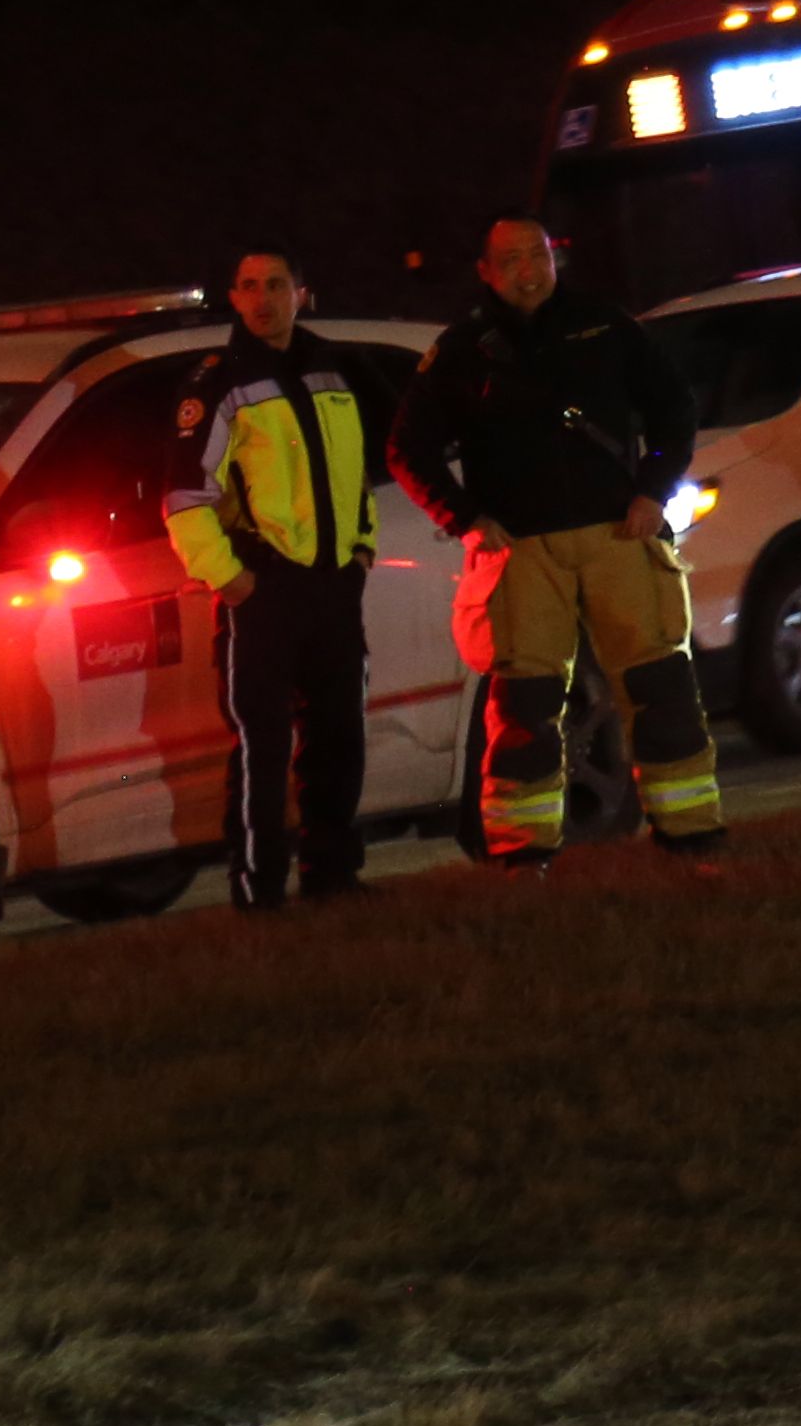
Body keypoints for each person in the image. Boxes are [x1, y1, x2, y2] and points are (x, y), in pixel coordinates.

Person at [390, 215, 725, 870]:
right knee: (524, 708)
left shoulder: (606, 326)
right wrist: (463, 519)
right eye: (510, 259)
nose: (527, 270)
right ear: (485, 271)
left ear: (554, 259)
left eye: (537, 255)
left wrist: (652, 491)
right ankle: (521, 858)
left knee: (661, 686)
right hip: (522, 552)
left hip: (616, 534)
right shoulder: (463, 350)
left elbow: (674, 408)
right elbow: (407, 449)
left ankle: (692, 838)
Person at [162, 250, 394, 907]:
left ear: (302, 293)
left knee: (338, 735)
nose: (263, 298)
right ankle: (260, 891)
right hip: (261, 591)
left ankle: (333, 876)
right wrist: (230, 579)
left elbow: (356, 476)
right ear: (233, 298)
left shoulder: (332, 366)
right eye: (249, 287)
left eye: (276, 285)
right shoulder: (216, 381)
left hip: (331, 587)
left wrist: (361, 550)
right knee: (262, 749)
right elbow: (184, 496)